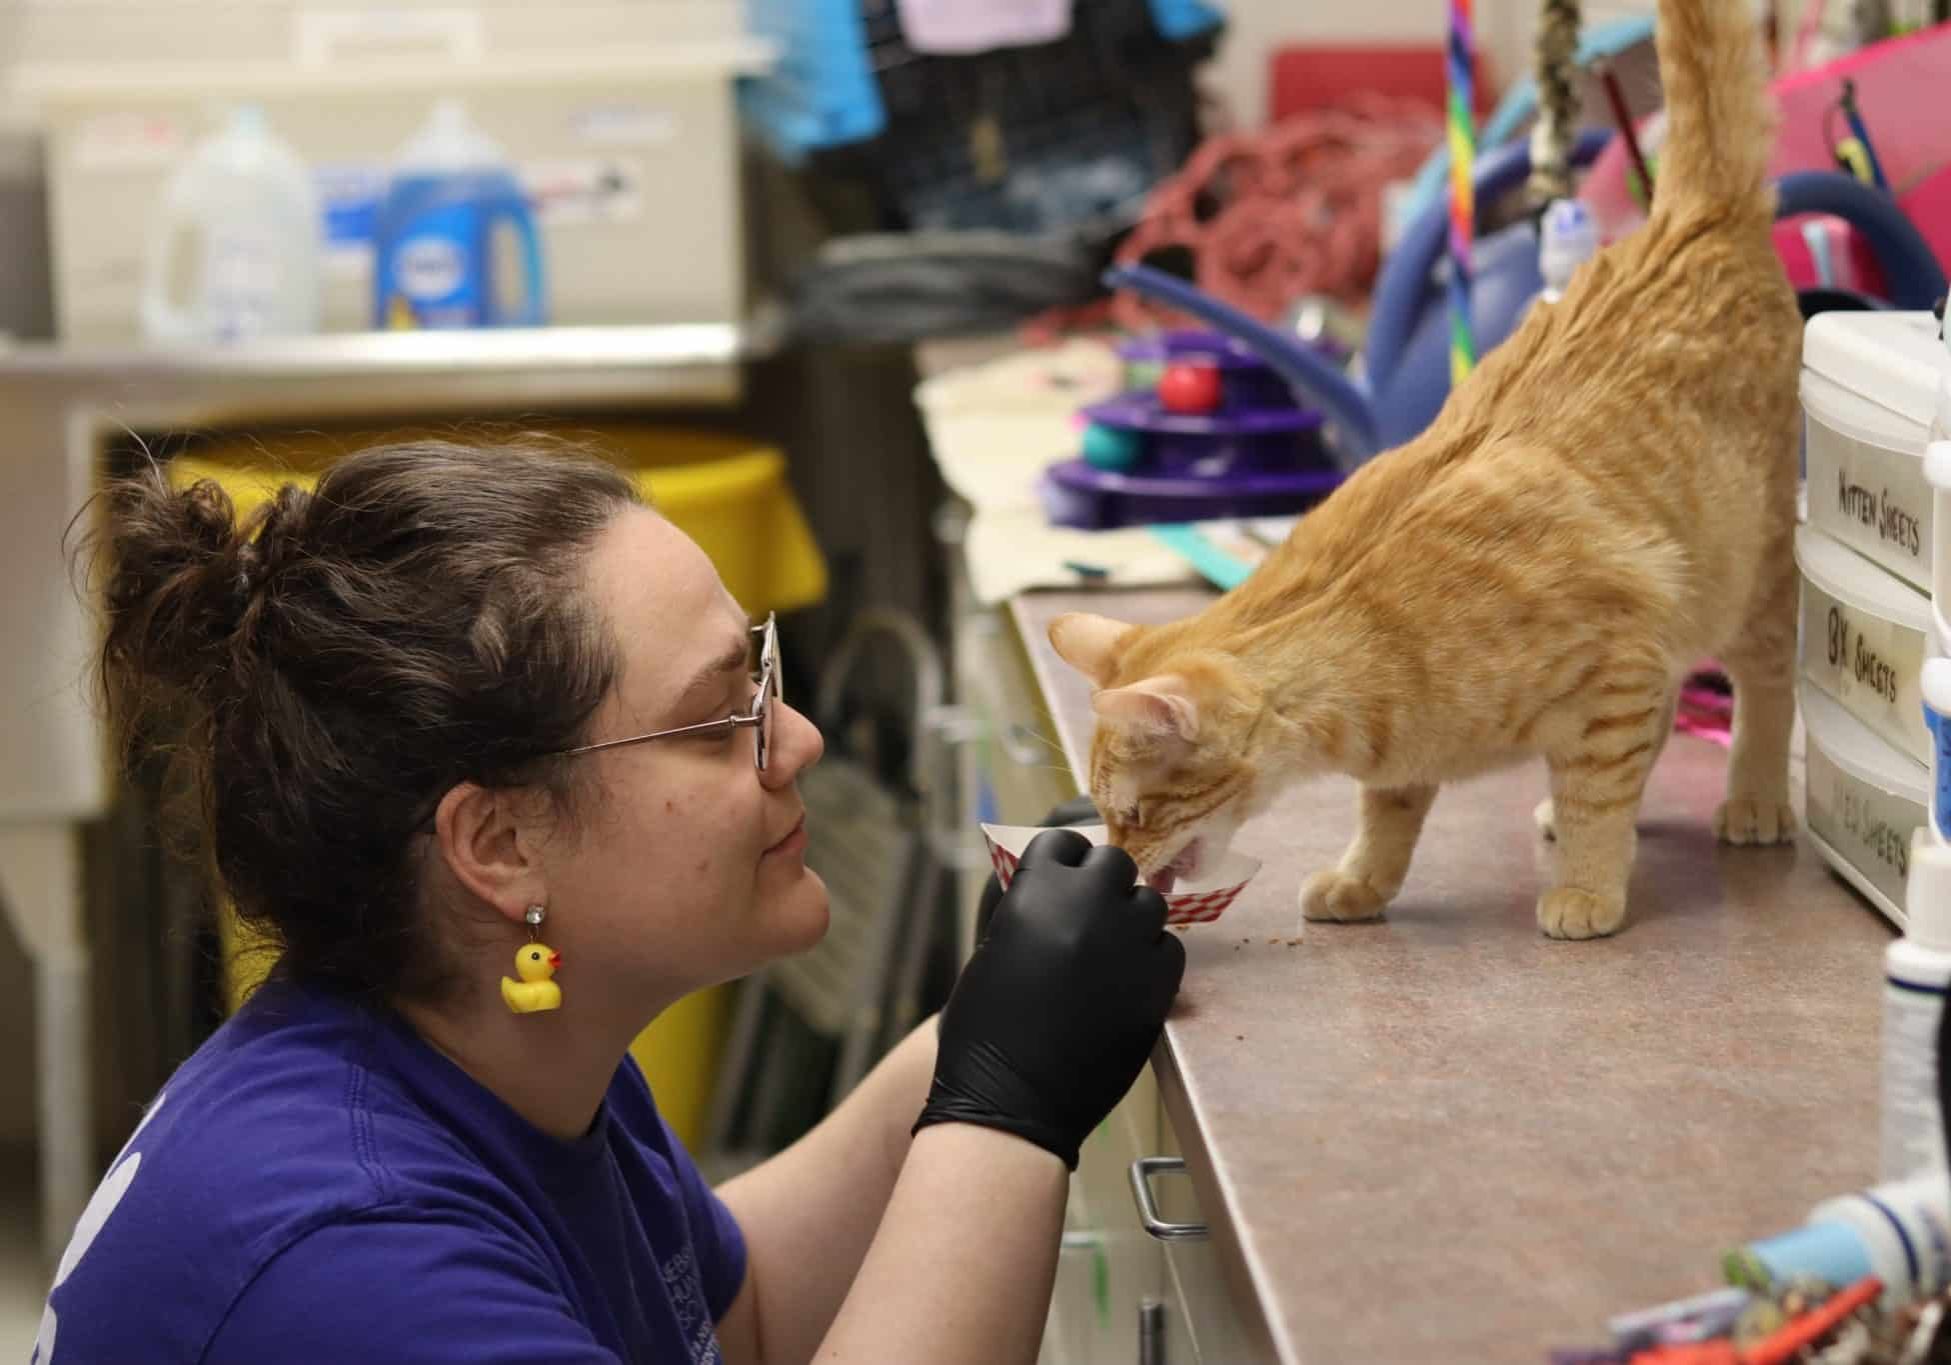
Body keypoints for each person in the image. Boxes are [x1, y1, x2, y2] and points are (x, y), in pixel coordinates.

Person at [35, 438, 1185, 1365]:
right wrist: (1004, 1114)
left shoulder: (500, 1045)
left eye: (761, 674)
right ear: (498, 844)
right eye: (718, 715)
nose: (799, 740)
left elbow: (747, 1323)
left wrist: (1002, 1019)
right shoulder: (356, 1264)